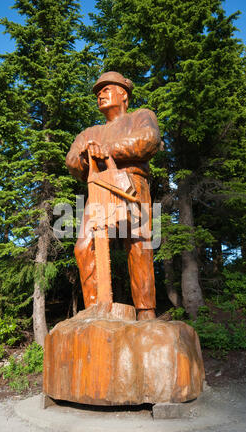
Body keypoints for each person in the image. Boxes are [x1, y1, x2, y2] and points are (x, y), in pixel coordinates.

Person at [66, 71, 162, 320]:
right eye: (99, 91)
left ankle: (146, 311)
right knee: (84, 245)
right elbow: (72, 161)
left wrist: (107, 150)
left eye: (107, 89)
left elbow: (148, 140)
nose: (100, 94)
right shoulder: (89, 133)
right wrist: (88, 156)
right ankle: (95, 310)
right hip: (99, 187)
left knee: (139, 243)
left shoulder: (141, 116)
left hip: (133, 181)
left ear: (124, 95)